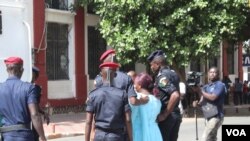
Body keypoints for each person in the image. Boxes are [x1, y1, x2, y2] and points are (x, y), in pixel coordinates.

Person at [0, 57, 46, 141]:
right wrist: (42, 137)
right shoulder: (29, 88)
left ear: (7, 70)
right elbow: (34, 115)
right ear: (21, 69)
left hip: (6, 137)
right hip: (25, 136)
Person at [85, 62, 133, 141]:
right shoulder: (122, 94)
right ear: (114, 76)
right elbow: (128, 119)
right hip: (116, 136)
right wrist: (131, 139)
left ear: (101, 75)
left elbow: (88, 122)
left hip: (99, 136)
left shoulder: (93, 95)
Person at [147, 50, 181, 141]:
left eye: (152, 64)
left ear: (157, 64)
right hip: (175, 114)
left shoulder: (162, 77)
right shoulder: (173, 73)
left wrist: (165, 114)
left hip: (168, 117)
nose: (151, 67)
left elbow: (175, 95)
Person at [193, 66, 226, 141]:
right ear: (208, 74)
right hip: (208, 115)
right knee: (212, 138)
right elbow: (202, 101)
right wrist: (197, 104)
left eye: (214, 72)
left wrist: (200, 91)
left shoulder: (220, 85)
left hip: (216, 116)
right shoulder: (205, 87)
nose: (212, 74)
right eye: (211, 72)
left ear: (218, 74)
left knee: (205, 138)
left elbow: (213, 97)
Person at [130, 72, 162, 141]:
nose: (134, 86)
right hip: (155, 133)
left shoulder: (137, 99)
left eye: (134, 84)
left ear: (139, 85)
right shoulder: (157, 100)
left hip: (140, 133)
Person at [31, 66, 50, 141]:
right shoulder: (31, 88)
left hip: (32, 123)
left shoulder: (36, 89)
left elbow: (35, 105)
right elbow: (34, 110)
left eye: (33, 75)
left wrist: (43, 112)